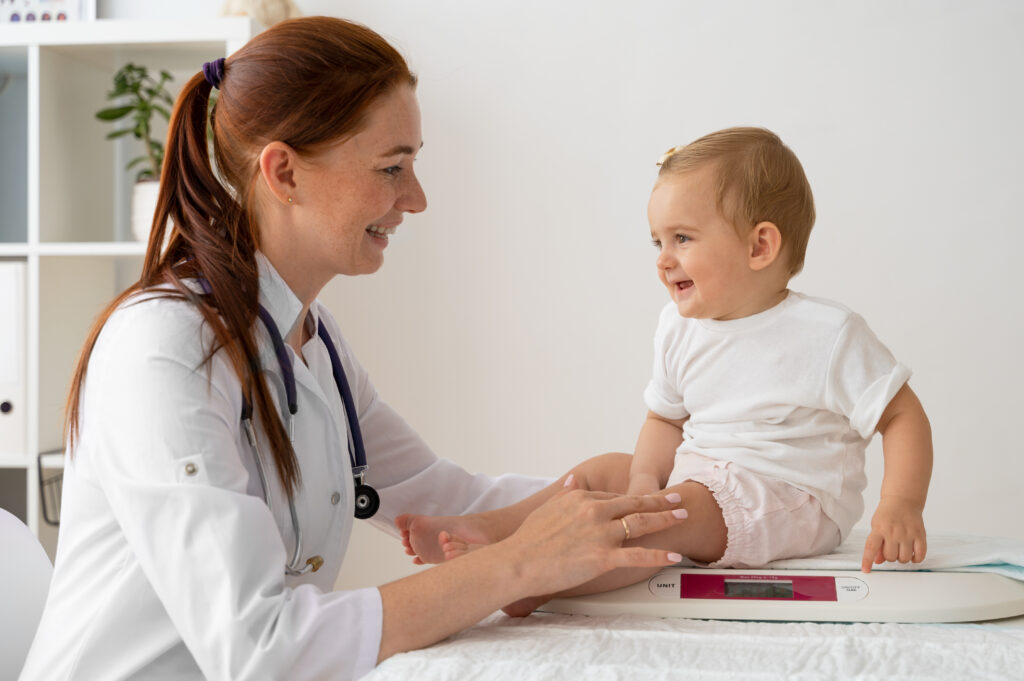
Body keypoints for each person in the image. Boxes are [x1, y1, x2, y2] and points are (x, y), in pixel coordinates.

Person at [18, 17, 690, 681]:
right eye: (392, 167)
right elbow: (261, 647)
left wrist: (626, 497)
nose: (416, 199)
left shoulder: (314, 342)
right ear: (283, 172)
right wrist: (520, 563)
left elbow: (448, 499)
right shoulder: (162, 348)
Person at [399, 127, 934, 615]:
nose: (662, 258)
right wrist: (639, 481)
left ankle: (537, 582)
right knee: (600, 472)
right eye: (658, 241)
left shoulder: (826, 333)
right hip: (700, 476)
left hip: (788, 498)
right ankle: (491, 526)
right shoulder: (679, 328)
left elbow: (902, 415)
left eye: (682, 238)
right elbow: (663, 422)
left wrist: (900, 505)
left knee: (667, 517)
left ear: (759, 246)